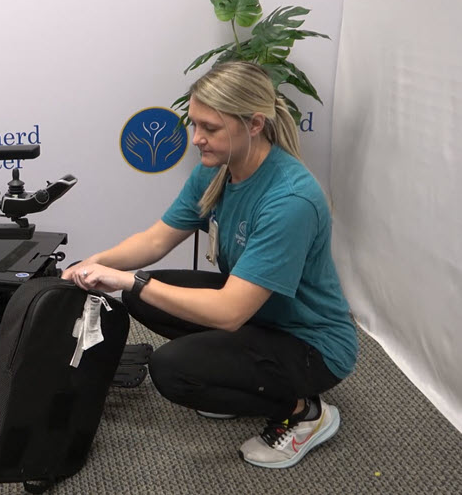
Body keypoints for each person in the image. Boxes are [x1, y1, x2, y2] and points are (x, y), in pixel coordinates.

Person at [63, 61, 357, 469]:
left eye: (210, 128)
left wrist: (128, 279)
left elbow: (230, 312)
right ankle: (242, 380)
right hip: (262, 315)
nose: (197, 139)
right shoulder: (218, 171)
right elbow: (155, 240)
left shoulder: (290, 200)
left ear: (254, 124)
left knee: (173, 370)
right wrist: (94, 263)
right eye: (195, 125)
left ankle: (305, 412)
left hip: (312, 344)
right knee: (142, 297)